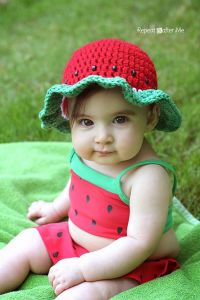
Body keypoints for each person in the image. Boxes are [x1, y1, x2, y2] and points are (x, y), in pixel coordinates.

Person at [0, 39, 182, 299]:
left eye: (120, 119)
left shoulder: (147, 177)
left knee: (83, 295)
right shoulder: (88, 152)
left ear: (150, 116)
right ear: (69, 117)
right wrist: (55, 209)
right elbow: (77, 184)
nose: (102, 137)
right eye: (86, 121)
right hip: (75, 240)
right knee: (25, 244)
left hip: (131, 263)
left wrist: (84, 269)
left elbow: (139, 243)